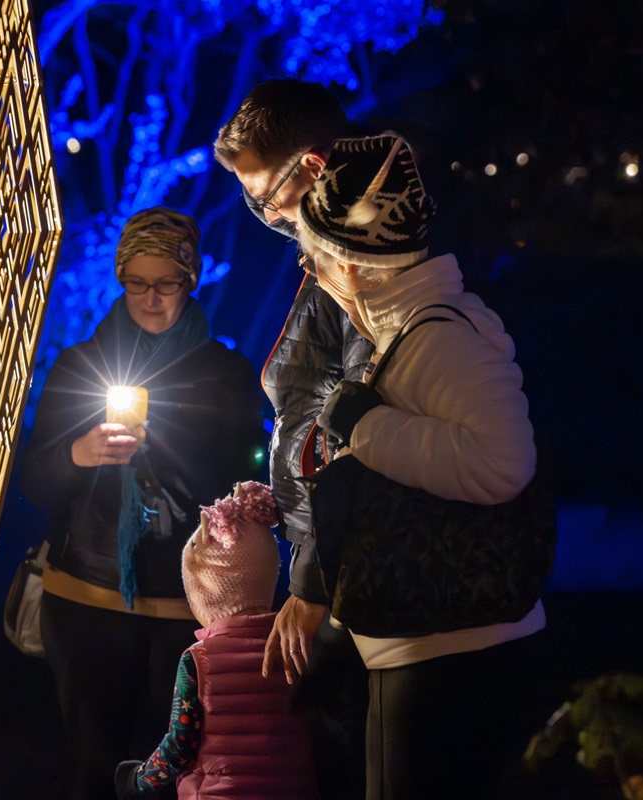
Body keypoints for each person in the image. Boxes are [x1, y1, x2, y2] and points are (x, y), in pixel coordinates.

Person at [295, 133, 547, 799]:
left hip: (446, 652)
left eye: (310, 261)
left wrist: (363, 424)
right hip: (436, 642)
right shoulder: (418, 326)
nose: (310, 276)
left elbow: (503, 461)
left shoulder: (435, 336)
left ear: (347, 267)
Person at [20, 207, 268, 800]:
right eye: (136, 283)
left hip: (187, 609)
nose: (150, 299)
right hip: (86, 595)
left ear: (191, 281)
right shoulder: (82, 364)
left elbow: (250, 482)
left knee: (180, 772)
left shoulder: (224, 374)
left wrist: (173, 450)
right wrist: (79, 453)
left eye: (166, 284)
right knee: (92, 763)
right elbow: (36, 483)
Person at [214, 79, 370, 797]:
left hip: (352, 579)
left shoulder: (367, 266)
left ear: (311, 169)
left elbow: (365, 435)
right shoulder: (330, 257)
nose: (267, 218)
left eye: (265, 199)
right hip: (328, 561)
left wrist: (311, 581)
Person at [113, 481, 318, 800]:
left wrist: (137, 779)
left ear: (203, 594)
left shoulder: (198, 660)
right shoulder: (299, 643)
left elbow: (178, 749)